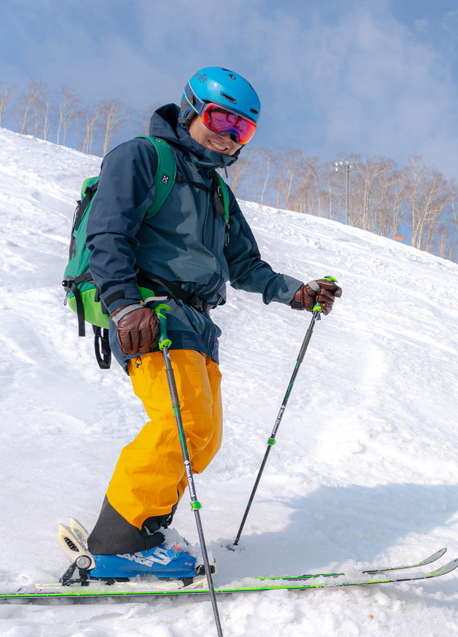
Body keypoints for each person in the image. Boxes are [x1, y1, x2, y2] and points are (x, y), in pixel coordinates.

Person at [79, 67, 341, 578]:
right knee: (182, 425)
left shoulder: (219, 195)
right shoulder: (142, 157)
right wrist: (123, 304)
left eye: (243, 129)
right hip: (150, 314)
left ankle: (149, 531)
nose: (229, 135)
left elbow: (245, 266)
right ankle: (118, 542)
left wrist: (299, 293)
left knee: (205, 437)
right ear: (191, 108)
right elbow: (108, 233)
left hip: (198, 324)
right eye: (222, 118)